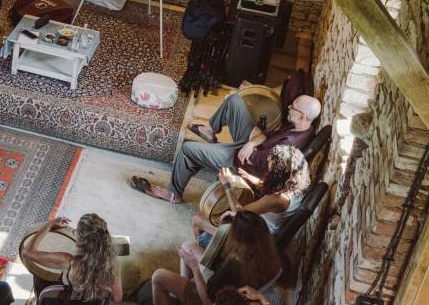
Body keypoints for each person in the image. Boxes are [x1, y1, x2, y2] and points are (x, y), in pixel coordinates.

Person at [131, 93, 321, 203]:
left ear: (304, 116)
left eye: (293, 107)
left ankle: (174, 194)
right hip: (250, 147)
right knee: (234, 101)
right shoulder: (299, 125)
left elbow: (255, 162)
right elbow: (269, 135)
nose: (288, 108)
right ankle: (209, 130)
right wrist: (252, 141)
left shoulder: (291, 143)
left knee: (188, 149)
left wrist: (251, 145)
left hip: (241, 161)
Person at [192, 144, 310, 256]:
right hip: (260, 227)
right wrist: (253, 179)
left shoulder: (277, 199)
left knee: (197, 220)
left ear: (278, 175)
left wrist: (227, 185)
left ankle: (206, 257)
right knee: (221, 215)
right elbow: (276, 188)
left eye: (271, 171)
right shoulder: (296, 187)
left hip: (253, 239)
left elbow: (240, 213)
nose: (268, 172)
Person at [151, 211, 281, 305]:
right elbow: (252, 228)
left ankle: (187, 294)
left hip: (213, 297)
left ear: (238, 240)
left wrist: (195, 268)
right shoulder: (272, 257)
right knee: (187, 246)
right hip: (235, 295)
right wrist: (238, 218)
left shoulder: (232, 268)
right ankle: (183, 293)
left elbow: (208, 301)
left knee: (158, 276)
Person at [22, 214, 123, 303]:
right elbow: (117, 298)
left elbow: (27, 253)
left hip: (67, 301)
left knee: (38, 278)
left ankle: (36, 300)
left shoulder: (67, 261)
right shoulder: (114, 263)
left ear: (81, 240)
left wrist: (50, 224)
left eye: (76, 232)